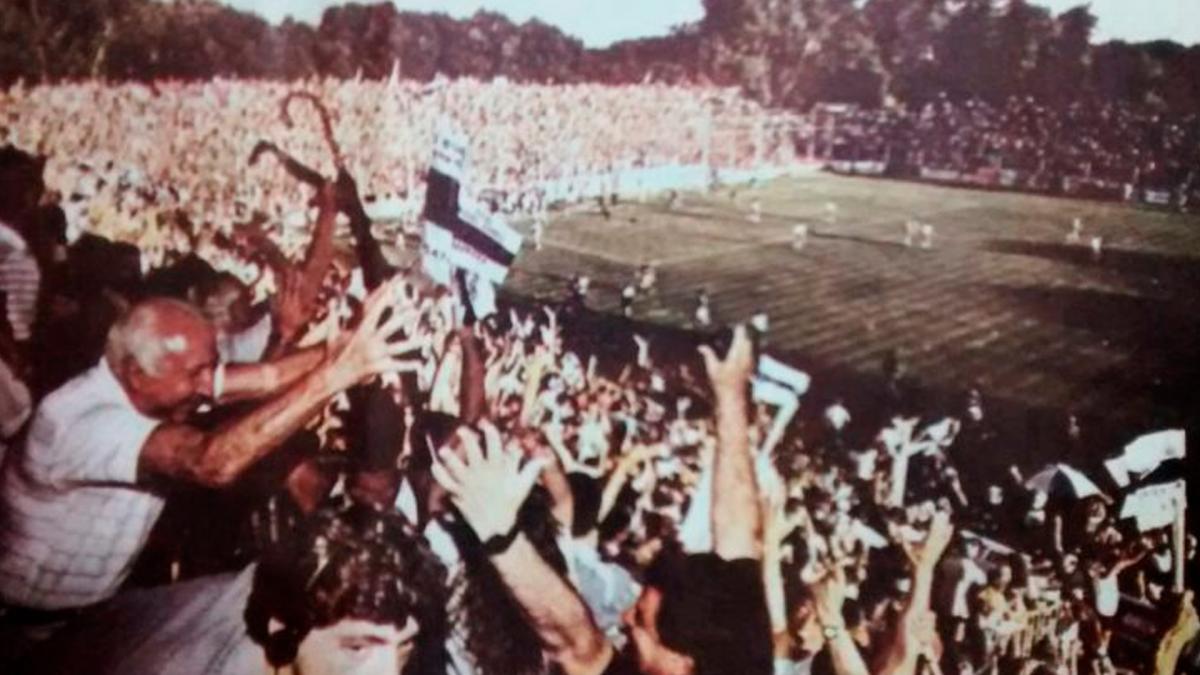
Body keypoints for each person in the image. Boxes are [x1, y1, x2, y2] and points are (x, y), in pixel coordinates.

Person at [0, 265, 424, 619]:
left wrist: (350, 346)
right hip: (23, 625)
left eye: (212, 368)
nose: (210, 385)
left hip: (94, 612)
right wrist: (335, 377)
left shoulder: (165, 381)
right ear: (136, 373)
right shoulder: (77, 421)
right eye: (197, 374)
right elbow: (209, 462)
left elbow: (268, 377)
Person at [16, 502, 449, 675]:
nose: (388, 674)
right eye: (358, 648)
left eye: (404, 646)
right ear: (285, 627)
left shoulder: (295, 587)